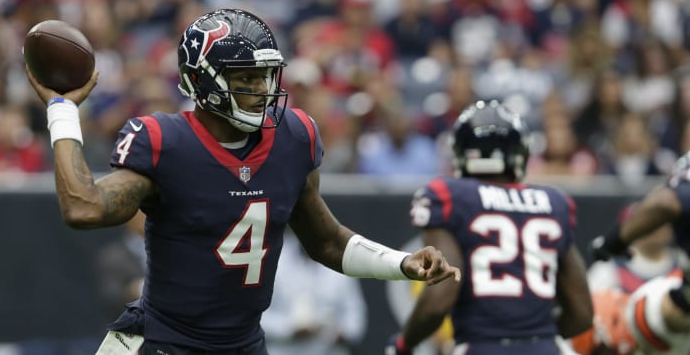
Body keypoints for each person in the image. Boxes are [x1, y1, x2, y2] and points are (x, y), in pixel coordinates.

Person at [24, 8, 461, 355]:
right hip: (168, 343)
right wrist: (62, 109)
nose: (262, 88)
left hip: (245, 344)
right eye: (246, 77)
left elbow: (326, 241)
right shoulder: (165, 141)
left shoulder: (294, 136)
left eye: (266, 75)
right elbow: (85, 208)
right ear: (202, 81)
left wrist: (400, 264)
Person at [386, 100, 593, 355]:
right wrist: (536, 338)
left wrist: (404, 343)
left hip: (480, 346)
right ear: (519, 153)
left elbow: (440, 298)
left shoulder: (449, 196)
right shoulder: (554, 202)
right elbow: (582, 314)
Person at [591, 151, 690, 353]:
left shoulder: (672, 200)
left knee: (641, 312)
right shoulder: (609, 272)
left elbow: (667, 202)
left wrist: (613, 241)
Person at [260, 230, 367, 355]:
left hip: (328, 351)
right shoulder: (272, 259)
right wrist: (291, 329)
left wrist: (341, 333)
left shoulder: (340, 262)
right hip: (284, 350)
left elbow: (355, 315)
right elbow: (259, 318)